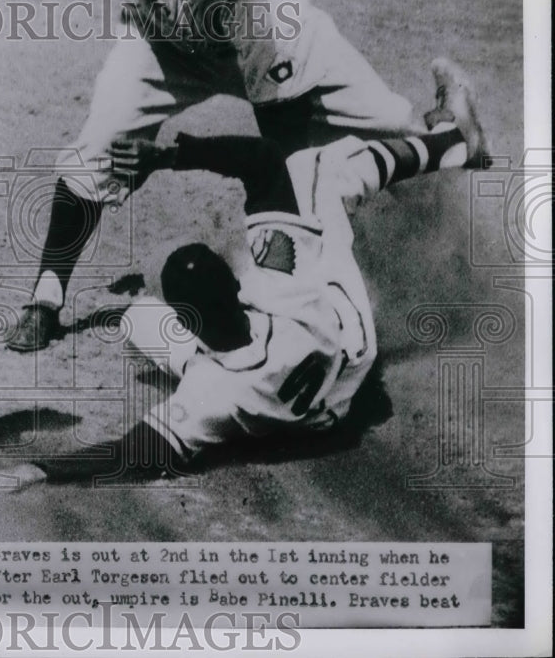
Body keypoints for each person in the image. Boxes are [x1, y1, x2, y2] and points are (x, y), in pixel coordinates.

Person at [6, 0, 447, 352]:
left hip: (254, 57)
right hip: (162, 46)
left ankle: (449, 135)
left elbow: (278, 148)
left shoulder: (273, 8)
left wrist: (280, 231)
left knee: (395, 127)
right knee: (98, 150)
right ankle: (45, 297)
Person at [33, 57, 487, 481]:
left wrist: (43, 468)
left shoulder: (211, 394)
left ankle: (457, 141)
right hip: (347, 352)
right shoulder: (281, 287)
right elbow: (267, 161)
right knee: (315, 169)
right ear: (235, 285)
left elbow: (128, 452)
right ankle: (453, 142)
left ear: (189, 321)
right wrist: (169, 156)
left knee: (137, 318)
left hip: (315, 413)